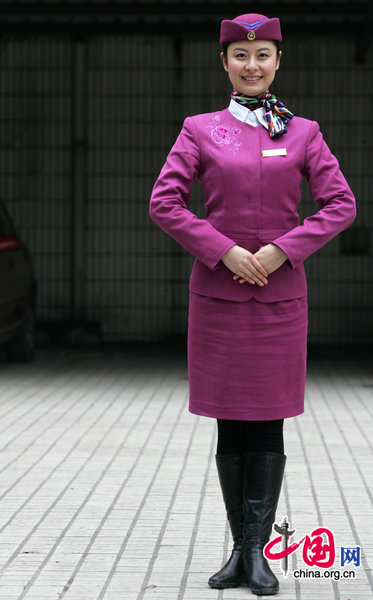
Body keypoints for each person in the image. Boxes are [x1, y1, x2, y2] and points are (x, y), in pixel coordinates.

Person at [149, 12, 356, 596]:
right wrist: (223, 251)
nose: (252, 65)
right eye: (240, 56)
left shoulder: (303, 133)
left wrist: (282, 252)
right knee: (229, 423)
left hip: (278, 299)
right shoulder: (199, 129)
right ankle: (240, 550)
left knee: (266, 422)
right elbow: (165, 203)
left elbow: (341, 204)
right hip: (217, 297)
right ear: (224, 63)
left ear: (277, 61)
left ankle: (255, 554)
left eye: (263, 54)